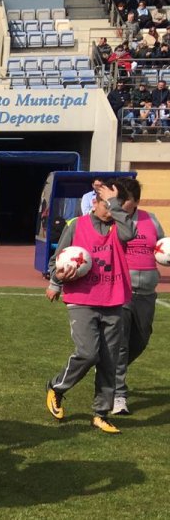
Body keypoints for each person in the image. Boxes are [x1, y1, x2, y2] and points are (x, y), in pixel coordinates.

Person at [45, 180, 134, 434]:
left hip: (113, 298)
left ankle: (100, 413)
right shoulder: (77, 226)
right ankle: (56, 387)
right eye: (107, 204)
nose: (112, 210)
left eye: (117, 206)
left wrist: (115, 204)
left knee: (109, 360)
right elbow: (57, 259)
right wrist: (56, 281)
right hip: (81, 299)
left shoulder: (119, 226)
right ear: (93, 203)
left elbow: (129, 234)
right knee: (88, 352)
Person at [111, 177, 164, 415]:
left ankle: (109, 368)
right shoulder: (114, 221)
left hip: (147, 292)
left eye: (126, 199)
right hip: (121, 291)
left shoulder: (150, 219)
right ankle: (119, 395)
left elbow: (162, 245)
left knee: (142, 340)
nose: (122, 204)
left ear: (136, 201)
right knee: (120, 345)